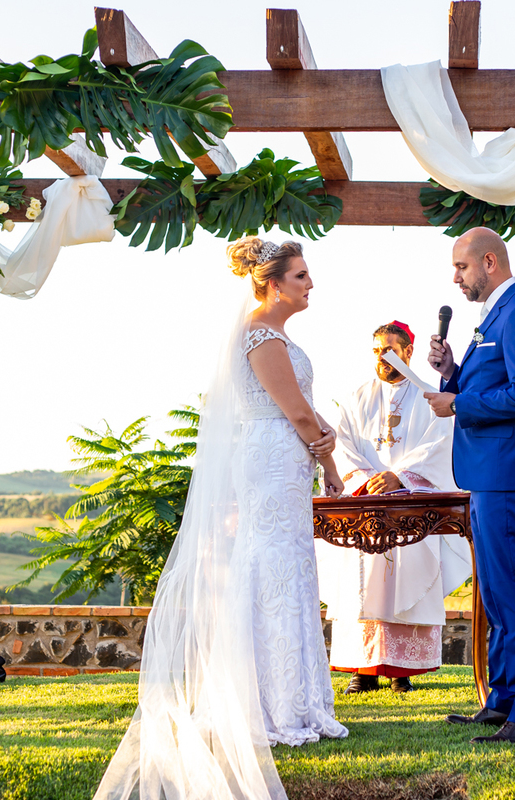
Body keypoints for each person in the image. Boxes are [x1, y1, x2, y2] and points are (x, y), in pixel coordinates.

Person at [92, 237, 347, 800]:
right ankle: (271, 705)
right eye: (301, 276)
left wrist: (328, 454)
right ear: (273, 283)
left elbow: (305, 408)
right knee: (273, 567)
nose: (310, 285)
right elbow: (298, 412)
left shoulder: (274, 333)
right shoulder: (260, 334)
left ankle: (293, 698)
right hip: (275, 456)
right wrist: (327, 459)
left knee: (290, 567)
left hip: (285, 457)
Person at [424, 227, 515, 744]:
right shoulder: (491, 317)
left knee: (514, 593)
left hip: (506, 475)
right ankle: (500, 699)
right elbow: (491, 383)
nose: (456, 277)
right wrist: (452, 373)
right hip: (484, 475)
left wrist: (459, 404)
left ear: (490, 262)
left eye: (462, 267)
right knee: (495, 594)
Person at [316, 321, 472, 694]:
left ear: (407, 352)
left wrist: (400, 478)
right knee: (361, 583)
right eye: (376, 351)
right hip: (365, 502)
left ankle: (402, 670)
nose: (382, 358)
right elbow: (343, 444)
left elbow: (440, 443)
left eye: (389, 349)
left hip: (409, 504)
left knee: (408, 580)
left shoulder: (430, 396)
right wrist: (369, 479)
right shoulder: (357, 398)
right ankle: (362, 670)